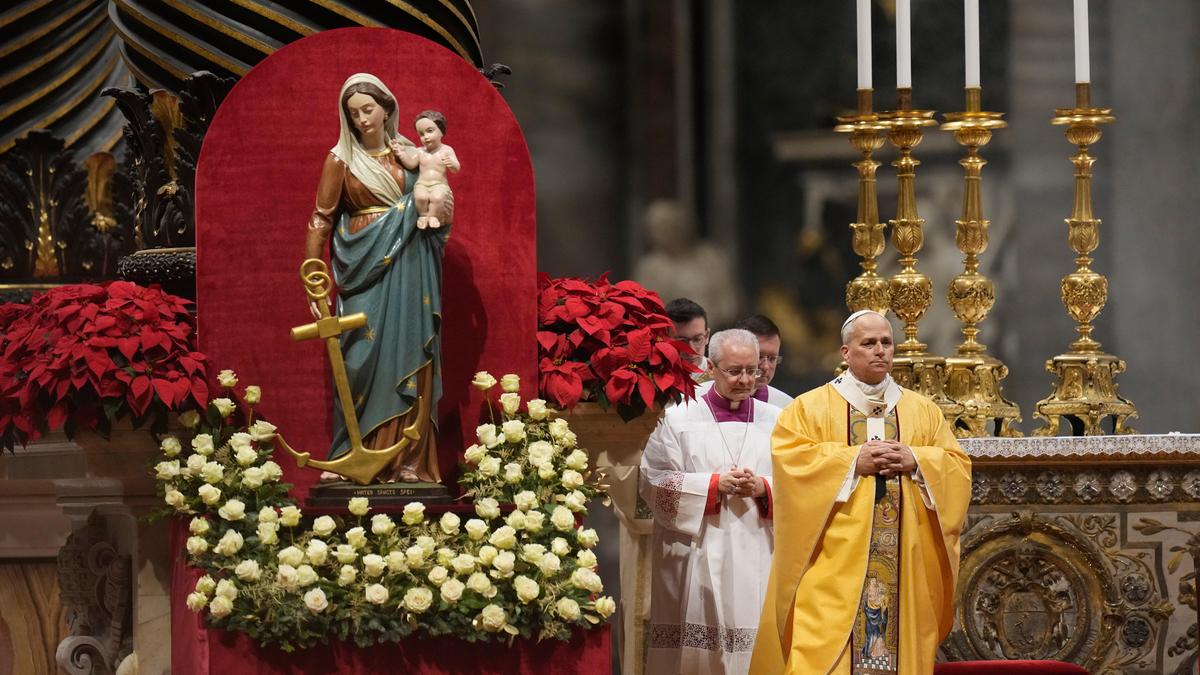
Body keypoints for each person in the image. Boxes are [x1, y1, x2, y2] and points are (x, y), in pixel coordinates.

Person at [749, 310, 972, 674]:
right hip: (833, 566)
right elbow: (791, 464)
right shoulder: (809, 408)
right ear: (845, 352)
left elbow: (957, 466)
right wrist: (853, 461)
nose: (880, 351)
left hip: (904, 566)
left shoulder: (923, 411)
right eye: (868, 343)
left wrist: (915, 458)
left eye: (886, 342)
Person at [304, 73, 451, 484]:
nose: (362, 119)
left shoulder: (410, 153)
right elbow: (321, 217)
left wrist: (439, 213)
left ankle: (410, 461)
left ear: (386, 108)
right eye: (353, 114)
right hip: (361, 268)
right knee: (359, 362)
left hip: (411, 263)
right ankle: (355, 453)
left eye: (368, 109)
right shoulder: (340, 160)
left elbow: (436, 194)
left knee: (411, 350)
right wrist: (313, 277)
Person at [640, 328, 781, 675]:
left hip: (757, 548)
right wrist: (713, 486)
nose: (746, 379)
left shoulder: (779, 421)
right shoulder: (679, 418)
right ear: (712, 367)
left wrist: (763, 487)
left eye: (753, 370)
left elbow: (802, 482)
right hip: (695, 551)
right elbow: (653, 480)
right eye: (735, 371)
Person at [633, 199, 739, 327]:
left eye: (664, 226)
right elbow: (645, 312)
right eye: (653, 228)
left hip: (713, 332)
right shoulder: (649, 267)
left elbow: (729, 305)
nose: (658, 235)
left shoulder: (710, 257)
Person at [392, 110, 459, 230]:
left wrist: (452, 163)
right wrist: (401, 154)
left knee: (437, 197)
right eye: (421, 134)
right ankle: (423, 216)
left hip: (440, 185)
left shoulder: (447, 150)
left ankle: (433, 216)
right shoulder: (420, 151)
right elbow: (411, 164)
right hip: (422, 184)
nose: (426, 137)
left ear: (441, 131)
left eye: (430, 131)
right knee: (420, 197)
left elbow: (456, 169)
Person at [734, 314, 792, 408]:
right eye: (759, 357)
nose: (765, 367)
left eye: (772, 358)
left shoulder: (786, 407)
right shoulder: (703, 397)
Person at [666, 297, 711, 382]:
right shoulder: (649, 378)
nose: (691, 351)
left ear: (707, 336)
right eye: (681, 341)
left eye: (697, 339)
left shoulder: (721, 379)